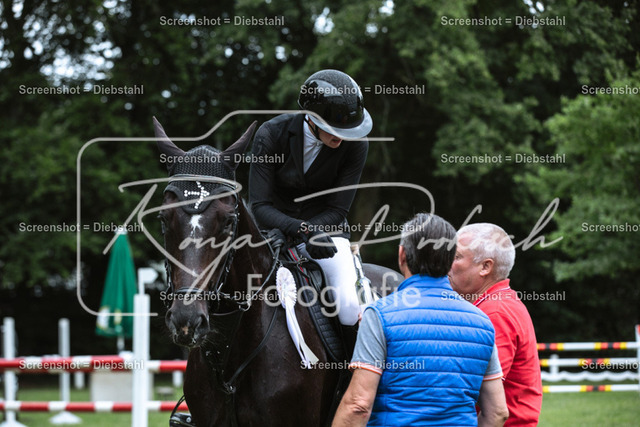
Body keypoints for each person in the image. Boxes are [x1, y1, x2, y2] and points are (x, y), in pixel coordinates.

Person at [332, 213, 509, 427]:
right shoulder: (482, 322)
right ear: (450, 261)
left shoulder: (380, 313)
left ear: (402, 255)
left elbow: (358, 405)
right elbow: (498, 412)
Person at [248, 69, 372, 330]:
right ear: (310, 117)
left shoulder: (357, 144)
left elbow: (338, 209)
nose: (342, 137)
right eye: (334, 128)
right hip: (272, 231)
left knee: (350, 308)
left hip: (327, 233)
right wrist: (302, 230)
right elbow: (259, 206)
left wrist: (313, 231)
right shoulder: (270, 134)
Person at [448, 223, 543, 426]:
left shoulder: (495, 312)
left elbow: (472, 390)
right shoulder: (496, 304)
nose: (445, 264)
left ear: (485, 267)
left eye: (455, 257)